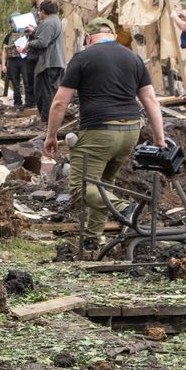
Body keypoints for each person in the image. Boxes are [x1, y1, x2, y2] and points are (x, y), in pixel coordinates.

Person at [43, 17, 167, 247]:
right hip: (130, 132)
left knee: (81, 187)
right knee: (103, 185)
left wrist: (51, 135)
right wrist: (160, 138)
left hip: (99, 132)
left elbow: (60, 102)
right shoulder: (134, 58)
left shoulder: (82, 58)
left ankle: (124, 209)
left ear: (88, 38)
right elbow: (150, 100)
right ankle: (91, 239)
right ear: (112, 35)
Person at [27, 1, 66, 122]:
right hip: (56, 62)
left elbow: (42, 42)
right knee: (51, 92)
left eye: (39, 11)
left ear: (44, 11)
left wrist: (28, 44)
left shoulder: (48, 22)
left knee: (45, 94)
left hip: (49, 64)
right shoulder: (56, 20)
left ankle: (47, 121)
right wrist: (35, 32)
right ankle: (52, 120)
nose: (38, 13)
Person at [21, 0, 42, 107]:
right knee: (29, 77)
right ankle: (30, 102)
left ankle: (37, 102)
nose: (30, 1)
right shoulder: (34, 11)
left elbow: (44, 33)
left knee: (37, 78)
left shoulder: (45, 11)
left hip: (39, 50)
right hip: (32, 49)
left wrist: (34, 30)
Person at [0, 27, 26, 107]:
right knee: (15, 83)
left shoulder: (26, 33)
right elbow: (4, 51)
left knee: (27, 81)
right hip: (12, 60)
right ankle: (17, 102)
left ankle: (29, 101)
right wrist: (3, 64)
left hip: (24, 60)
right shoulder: (9, 35)